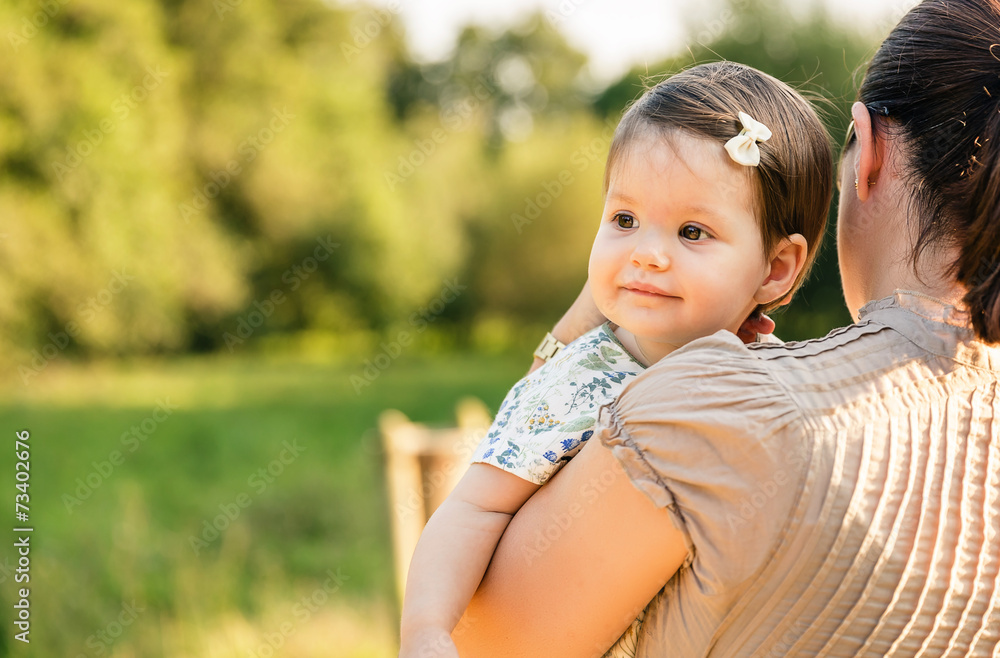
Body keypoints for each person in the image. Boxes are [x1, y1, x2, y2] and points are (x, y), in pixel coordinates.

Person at [452, 0, 1000, 655]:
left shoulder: (712, 407)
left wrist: (600, 314)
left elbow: (484, 636)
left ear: (870, 148)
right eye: (624, 219)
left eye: (691, 232)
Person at [398, 61, 833, 658]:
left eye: (692, 231)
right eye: (624, 220)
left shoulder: (784, 382)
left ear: (776, 267)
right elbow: (473, 506)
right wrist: (427, 631)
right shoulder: (579, 381)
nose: (648, 253)